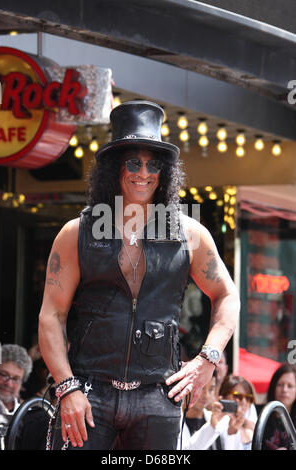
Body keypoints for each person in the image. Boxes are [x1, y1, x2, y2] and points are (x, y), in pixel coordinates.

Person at [38, 100, 240, 450]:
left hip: (157, 397)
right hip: (88, 392)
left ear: (165, 172)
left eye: (153, 164)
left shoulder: (189, 234)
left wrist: (207, 360)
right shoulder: (77, 233)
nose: (142, 173)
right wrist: (66, 387)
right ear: (116, 167)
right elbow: (50, 316)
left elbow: (228, 295)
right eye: (133, 162)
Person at [180, 371, 230, 450]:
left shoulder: (218, 419)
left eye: (211, 389)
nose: (206, 395)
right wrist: (211, 427)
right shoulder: (175, 421)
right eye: (201, 388)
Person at [218, 374, 257, 450]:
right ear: (223, 397)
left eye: (249, 398)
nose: (244, 402)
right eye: (238, 396)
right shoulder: (216, 426)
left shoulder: (253, 426)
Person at [262, 363, 296, 450]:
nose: (284, 390)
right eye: (280, 385)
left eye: (290, 386)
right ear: (273, 387)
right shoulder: (260, 416)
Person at [0, 344, 32, 415]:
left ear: (21, 385)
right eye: (4, 375)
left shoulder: (29, 415)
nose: (9, 383)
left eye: (15, 379)